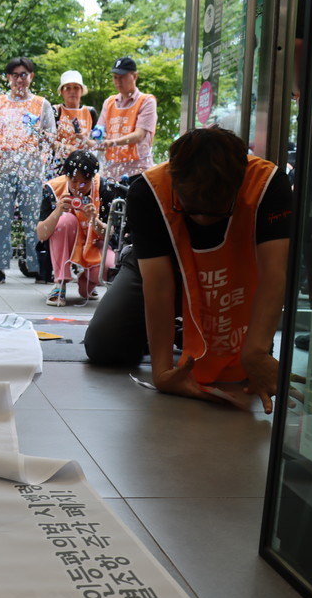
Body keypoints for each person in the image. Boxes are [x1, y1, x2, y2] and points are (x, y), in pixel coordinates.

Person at [85, 127, 293, 413]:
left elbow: (274, 274)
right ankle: (178, 331)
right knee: (103, 345)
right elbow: (158, 286)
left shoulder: (270, 184)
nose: (202, 220)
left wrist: (256, 349)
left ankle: (188, 332)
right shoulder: (147, 191)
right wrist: (162, 373)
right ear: (174, 178)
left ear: (238, 184)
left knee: (243, 363)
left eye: (216, 212)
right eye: (190, 210)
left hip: (235, 274)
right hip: (163, 269)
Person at [0, 56, 56, 284]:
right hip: (3, 167)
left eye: (24, 74)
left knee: (32, 219)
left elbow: (50, 135)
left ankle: (35, 266)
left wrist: (41, 158)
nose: (19, 79)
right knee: (1, 218)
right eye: (15, 75)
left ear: (31, 77)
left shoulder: (41, 104)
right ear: (8, 78)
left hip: (31, 169)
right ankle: (0, 268)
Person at [36, 150, 113, 306]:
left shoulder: (103, 188)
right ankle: (60, 283)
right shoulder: (53, 189)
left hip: (93, 244)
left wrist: (94, 219)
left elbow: (109, 235)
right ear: (66, 176)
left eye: (85, 182)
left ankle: (87, 283)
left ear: (93, 178)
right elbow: (41, 235)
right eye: (73, 180)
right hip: (66, 238)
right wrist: (57, 211)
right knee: (65, 221)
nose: (79, 187)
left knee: (108, 267)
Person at [93, 57, 157, 184]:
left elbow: (139, 135)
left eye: (122, 77)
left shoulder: (146, 101)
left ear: (134, 76)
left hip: (137, 172)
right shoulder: (109, 102)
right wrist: (91, 138)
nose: (118, 81)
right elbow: (98, 133)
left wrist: (112, 142)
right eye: (115, 77)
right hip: (111, 173)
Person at [50, 71, 97, 176]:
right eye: (68, 88)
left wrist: (85, 140)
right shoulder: (55, 111)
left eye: (76, 87)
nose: (72, 91)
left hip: (84, 165)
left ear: (81, 90)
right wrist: (68, 148)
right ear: (62, 91)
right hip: (60, 165)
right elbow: (48, 140)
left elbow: (98, 143)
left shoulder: (90, 112)